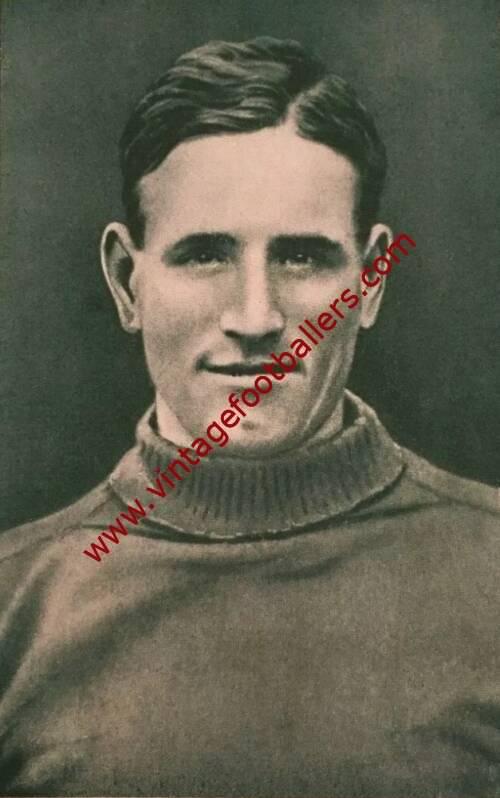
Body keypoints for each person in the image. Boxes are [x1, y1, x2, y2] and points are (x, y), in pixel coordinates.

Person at [0, 36, 498, 798]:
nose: (257, 316)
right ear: (127, 282)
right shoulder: (15, 604)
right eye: (205, 254)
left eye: (302, 257)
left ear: (369, 282)